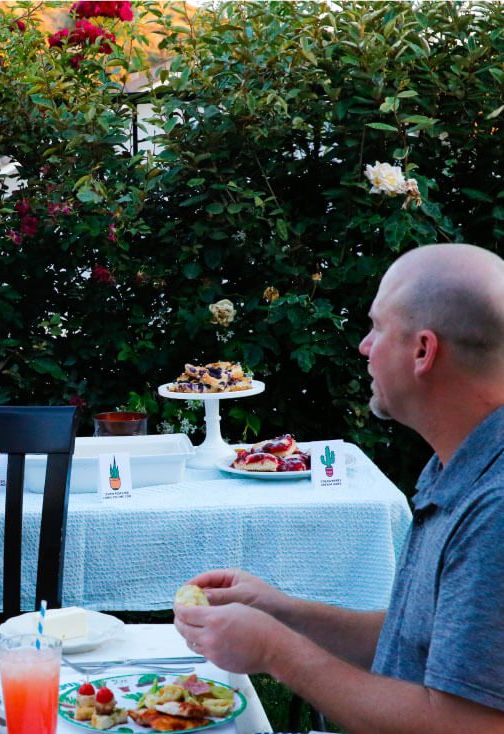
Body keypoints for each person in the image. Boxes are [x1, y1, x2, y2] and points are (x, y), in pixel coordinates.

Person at [174, 244, 504, 732]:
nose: (364, 347)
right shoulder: (458, 465)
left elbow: (468, 723)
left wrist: (275, 650)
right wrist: (280, 612)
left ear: (422, 350)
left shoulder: (494, 509)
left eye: (377, 327)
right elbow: (415, 642)